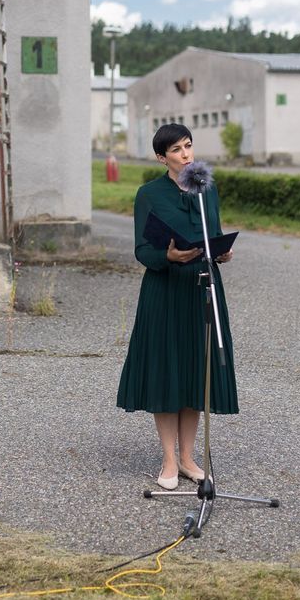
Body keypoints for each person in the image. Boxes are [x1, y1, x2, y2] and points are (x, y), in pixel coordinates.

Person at [116, 123, 239, 489]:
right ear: (161, 157)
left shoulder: (207, 190)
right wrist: (167, 255)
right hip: (165, 290)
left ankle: (188, 458)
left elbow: (212, 235)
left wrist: (223, 251)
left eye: (188, 146)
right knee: (167, 371)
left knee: (195, 374)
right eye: (176, 150)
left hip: (203, 288)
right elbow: (142, 250)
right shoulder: (148, 194)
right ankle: (169, 460)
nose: (186, 154)